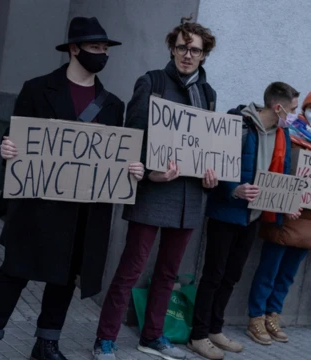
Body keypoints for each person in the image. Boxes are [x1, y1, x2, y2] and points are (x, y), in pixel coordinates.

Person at [0, 17, 140, 360]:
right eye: (95, 48)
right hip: (36, 206)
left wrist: (130, 170)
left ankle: (46, 343)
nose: (102, 55)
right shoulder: (36, 89)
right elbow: (17, 140)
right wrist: (8, 150)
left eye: (105, 50)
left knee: (63, 278)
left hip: (82, 212)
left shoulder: (113, 105)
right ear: (74, 50)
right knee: (14, 272)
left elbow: (113, 158)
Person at [93, 20, 217, 360]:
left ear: (204, 55)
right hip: (153, 192)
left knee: (167, 273)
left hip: (190, 197)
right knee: (130, 269)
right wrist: (151, 174)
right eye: (181, 47)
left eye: (194, 50)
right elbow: (132, 138)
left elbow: (207, 146)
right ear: (172, 49)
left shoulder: (208, 95)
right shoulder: (152, 81)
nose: (187, 55)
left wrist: (211, 177)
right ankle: (105, 338)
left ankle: (152, 336)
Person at [187, 82, 299, 360]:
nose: (295, 115)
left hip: (254, 217)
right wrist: (232, 189)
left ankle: (215, 329)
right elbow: (215, 163)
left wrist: (286, 205)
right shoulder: (238, 124)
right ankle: (198, 335)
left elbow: (281, 176)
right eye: (293, 109)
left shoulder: (282, 133)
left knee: (232, 276)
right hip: (226, 213)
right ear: (278, 107)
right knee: (213, 275)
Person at [246, 85, 311, 345]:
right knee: (269, 269)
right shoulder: (288, 133)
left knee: (287, 274)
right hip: (283, 214)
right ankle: (256, 317)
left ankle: (274, 314)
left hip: (308, 220)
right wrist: (285, 202)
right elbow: (277, 171)